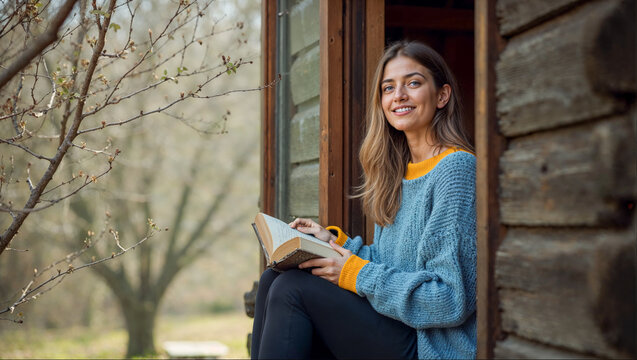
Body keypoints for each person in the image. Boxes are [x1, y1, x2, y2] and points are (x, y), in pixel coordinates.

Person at [251, 40, 476, 359]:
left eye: (413, 83)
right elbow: (392, 263)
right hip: (395, 326)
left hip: (431, 345)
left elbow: (450, 299)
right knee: (274, 277)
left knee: (292, 290)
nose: (399, 95)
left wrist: (353, 271)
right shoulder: (401, 173)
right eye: (388, 87)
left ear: (442, 95)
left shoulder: (456, 170)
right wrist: (332, 244)